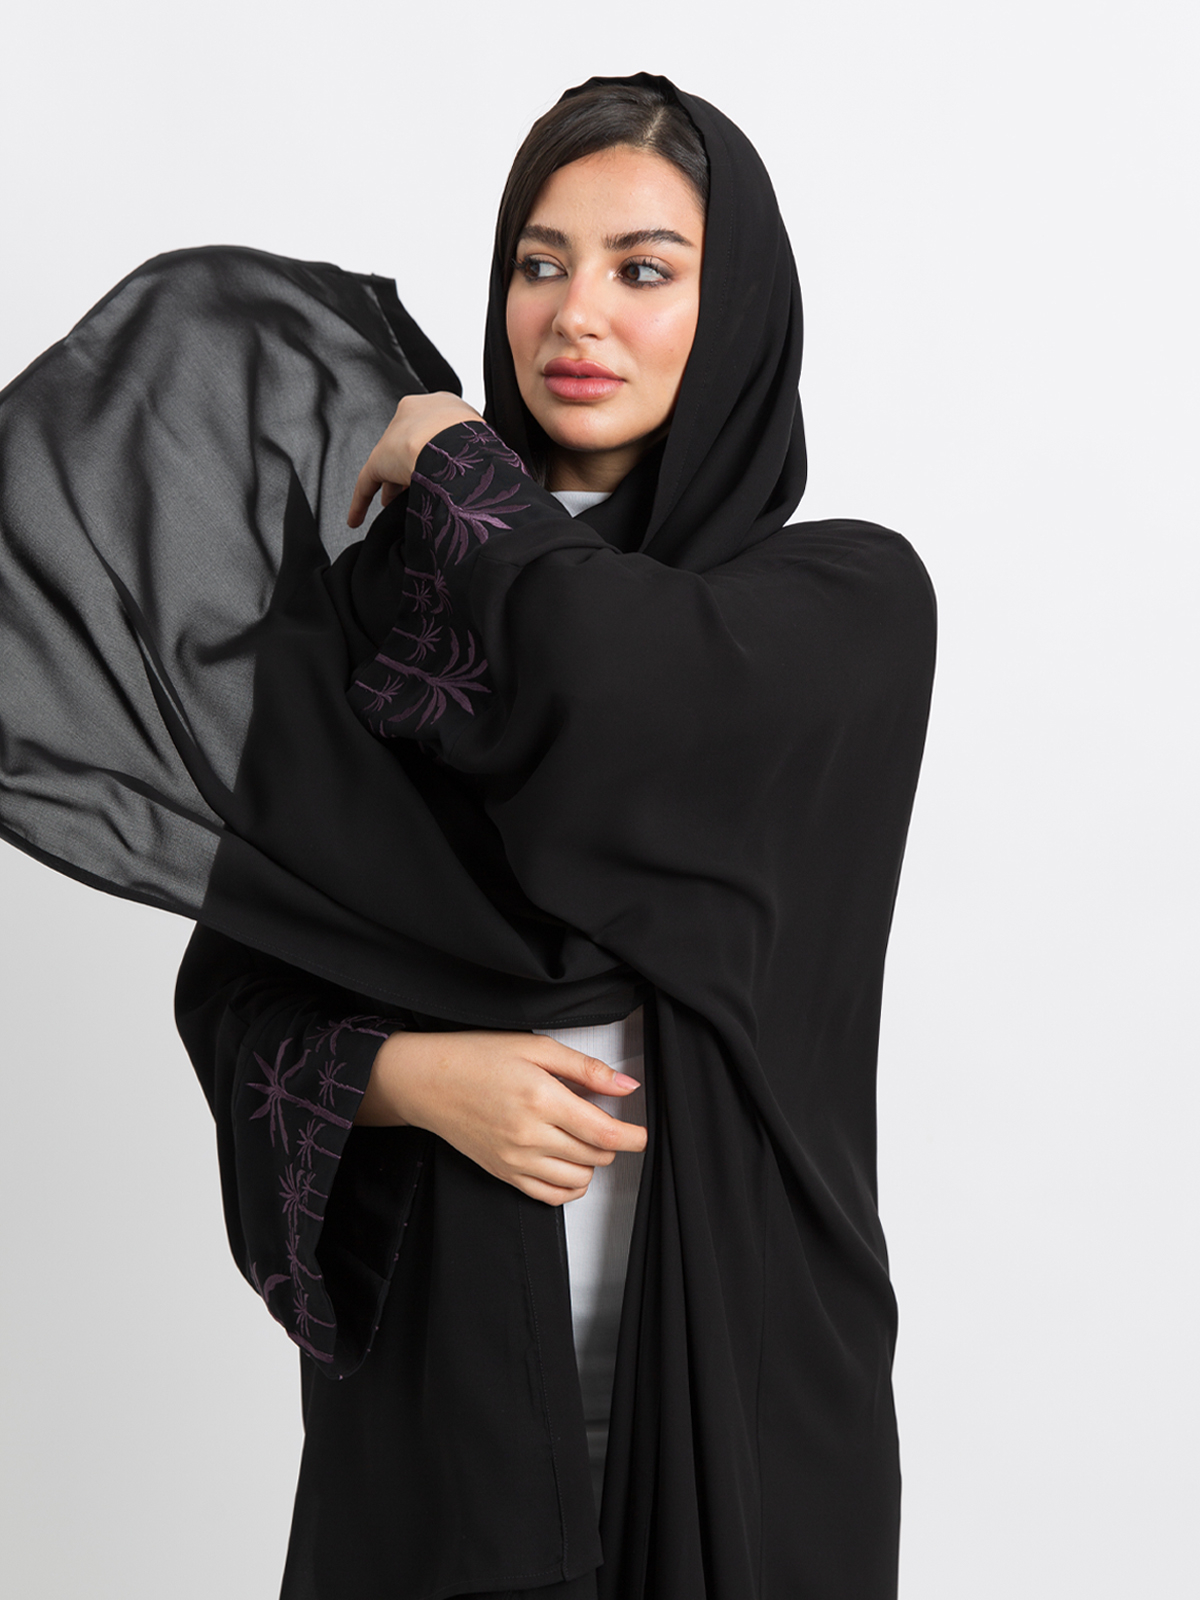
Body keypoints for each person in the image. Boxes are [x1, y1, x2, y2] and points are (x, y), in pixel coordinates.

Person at [0, 73, 935, 1600]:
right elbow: (237, 994)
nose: (578, 314)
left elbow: (608, 690)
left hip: (764, 1404)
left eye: (645, 269)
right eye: (538, 262)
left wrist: (454, 464)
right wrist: (410, 1078)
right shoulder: (369, 637)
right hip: (443, 1427)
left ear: (741, 312)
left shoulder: (841, 610)